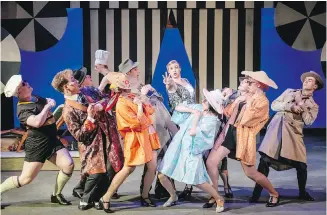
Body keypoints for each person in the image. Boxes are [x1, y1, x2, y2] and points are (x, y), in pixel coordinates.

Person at [206, 70, 281, 207]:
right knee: (211, 162)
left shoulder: (262, 101)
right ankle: (215, 195)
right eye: (246, 80)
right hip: (230, 133)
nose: (246, 82)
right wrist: (225, 101)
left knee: (251, 173)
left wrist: (246, 100)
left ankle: (274, 193)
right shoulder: (243, 96)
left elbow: (247, 120)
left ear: (257, 85)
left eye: (249, 81)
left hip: (243, 137)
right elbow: (228, 113)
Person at [51, 69, 124, 210]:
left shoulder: (88, 90)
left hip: (108, 136)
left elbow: (107, 98)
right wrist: (90, 118)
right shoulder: (68, 111)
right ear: (66, 87)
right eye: (72, 79)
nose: (77, 81)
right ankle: (86, 199)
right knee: (96, 173)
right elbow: (79, 136)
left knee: (113, 168)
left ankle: (98, 198)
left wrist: (100, 105)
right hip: (92, 145)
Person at [250, 71, 324, 203]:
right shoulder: (289, 92)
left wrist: (302, 106)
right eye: (306, 79)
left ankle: (302, 192)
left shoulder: (313, 106)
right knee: (265, 160)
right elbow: (274, 105)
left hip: (294, 133)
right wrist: (290, 106)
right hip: (276, 130)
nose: (306, 81)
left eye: (310, 80)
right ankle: (256, 193)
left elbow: (308, 121)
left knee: (301, 165)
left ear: (315, 86)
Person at [163, 59, 232, 200]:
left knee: (212, 147)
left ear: (180, 68)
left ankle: (224, 184)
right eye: (171, 69)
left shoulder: (186, 80)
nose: (174, 70)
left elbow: (192, 99)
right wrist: (193, 112)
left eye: (176, 67)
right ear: (168, 72)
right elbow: (176, 106)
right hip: (185, 116)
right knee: (189, 152)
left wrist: (198, 111)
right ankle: (189, 185)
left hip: (197, 112)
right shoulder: (171, 84)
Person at [0, 75, 74, 206]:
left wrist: (49, 102)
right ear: (19, 92)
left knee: (68, 164)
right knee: (25, 179)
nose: (27, 83)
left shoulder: (35, 97)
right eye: (23, 84)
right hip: (37, 145)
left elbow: (46, 102)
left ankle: (56, 195)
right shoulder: (22, 110)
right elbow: (37, 122)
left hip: (51, 140)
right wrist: (47, 107)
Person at [99, 72, 160, 213]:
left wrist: (144, 100)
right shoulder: (121, 104)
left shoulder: (133, 96)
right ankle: (106, 197)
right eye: (125, 82)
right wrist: (139, 107)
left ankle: (145, 195)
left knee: (152, 166)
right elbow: (137, 124)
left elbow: (150, 110)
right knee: (128, 169)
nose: (128, 83)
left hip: (148, 136)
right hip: (135, 139)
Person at [157, 88, 226, 213]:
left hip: (192, 150)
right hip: (178, 145)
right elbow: (178, 107)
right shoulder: (198, 108)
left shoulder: (212, 121)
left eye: (207, 100)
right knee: (162, 175)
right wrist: (192, 111)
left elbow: (194, 133)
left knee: (197, 181)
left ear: (211, 105)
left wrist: (195, 118)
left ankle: (218, 198)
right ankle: (173, 196)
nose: (203, 101)